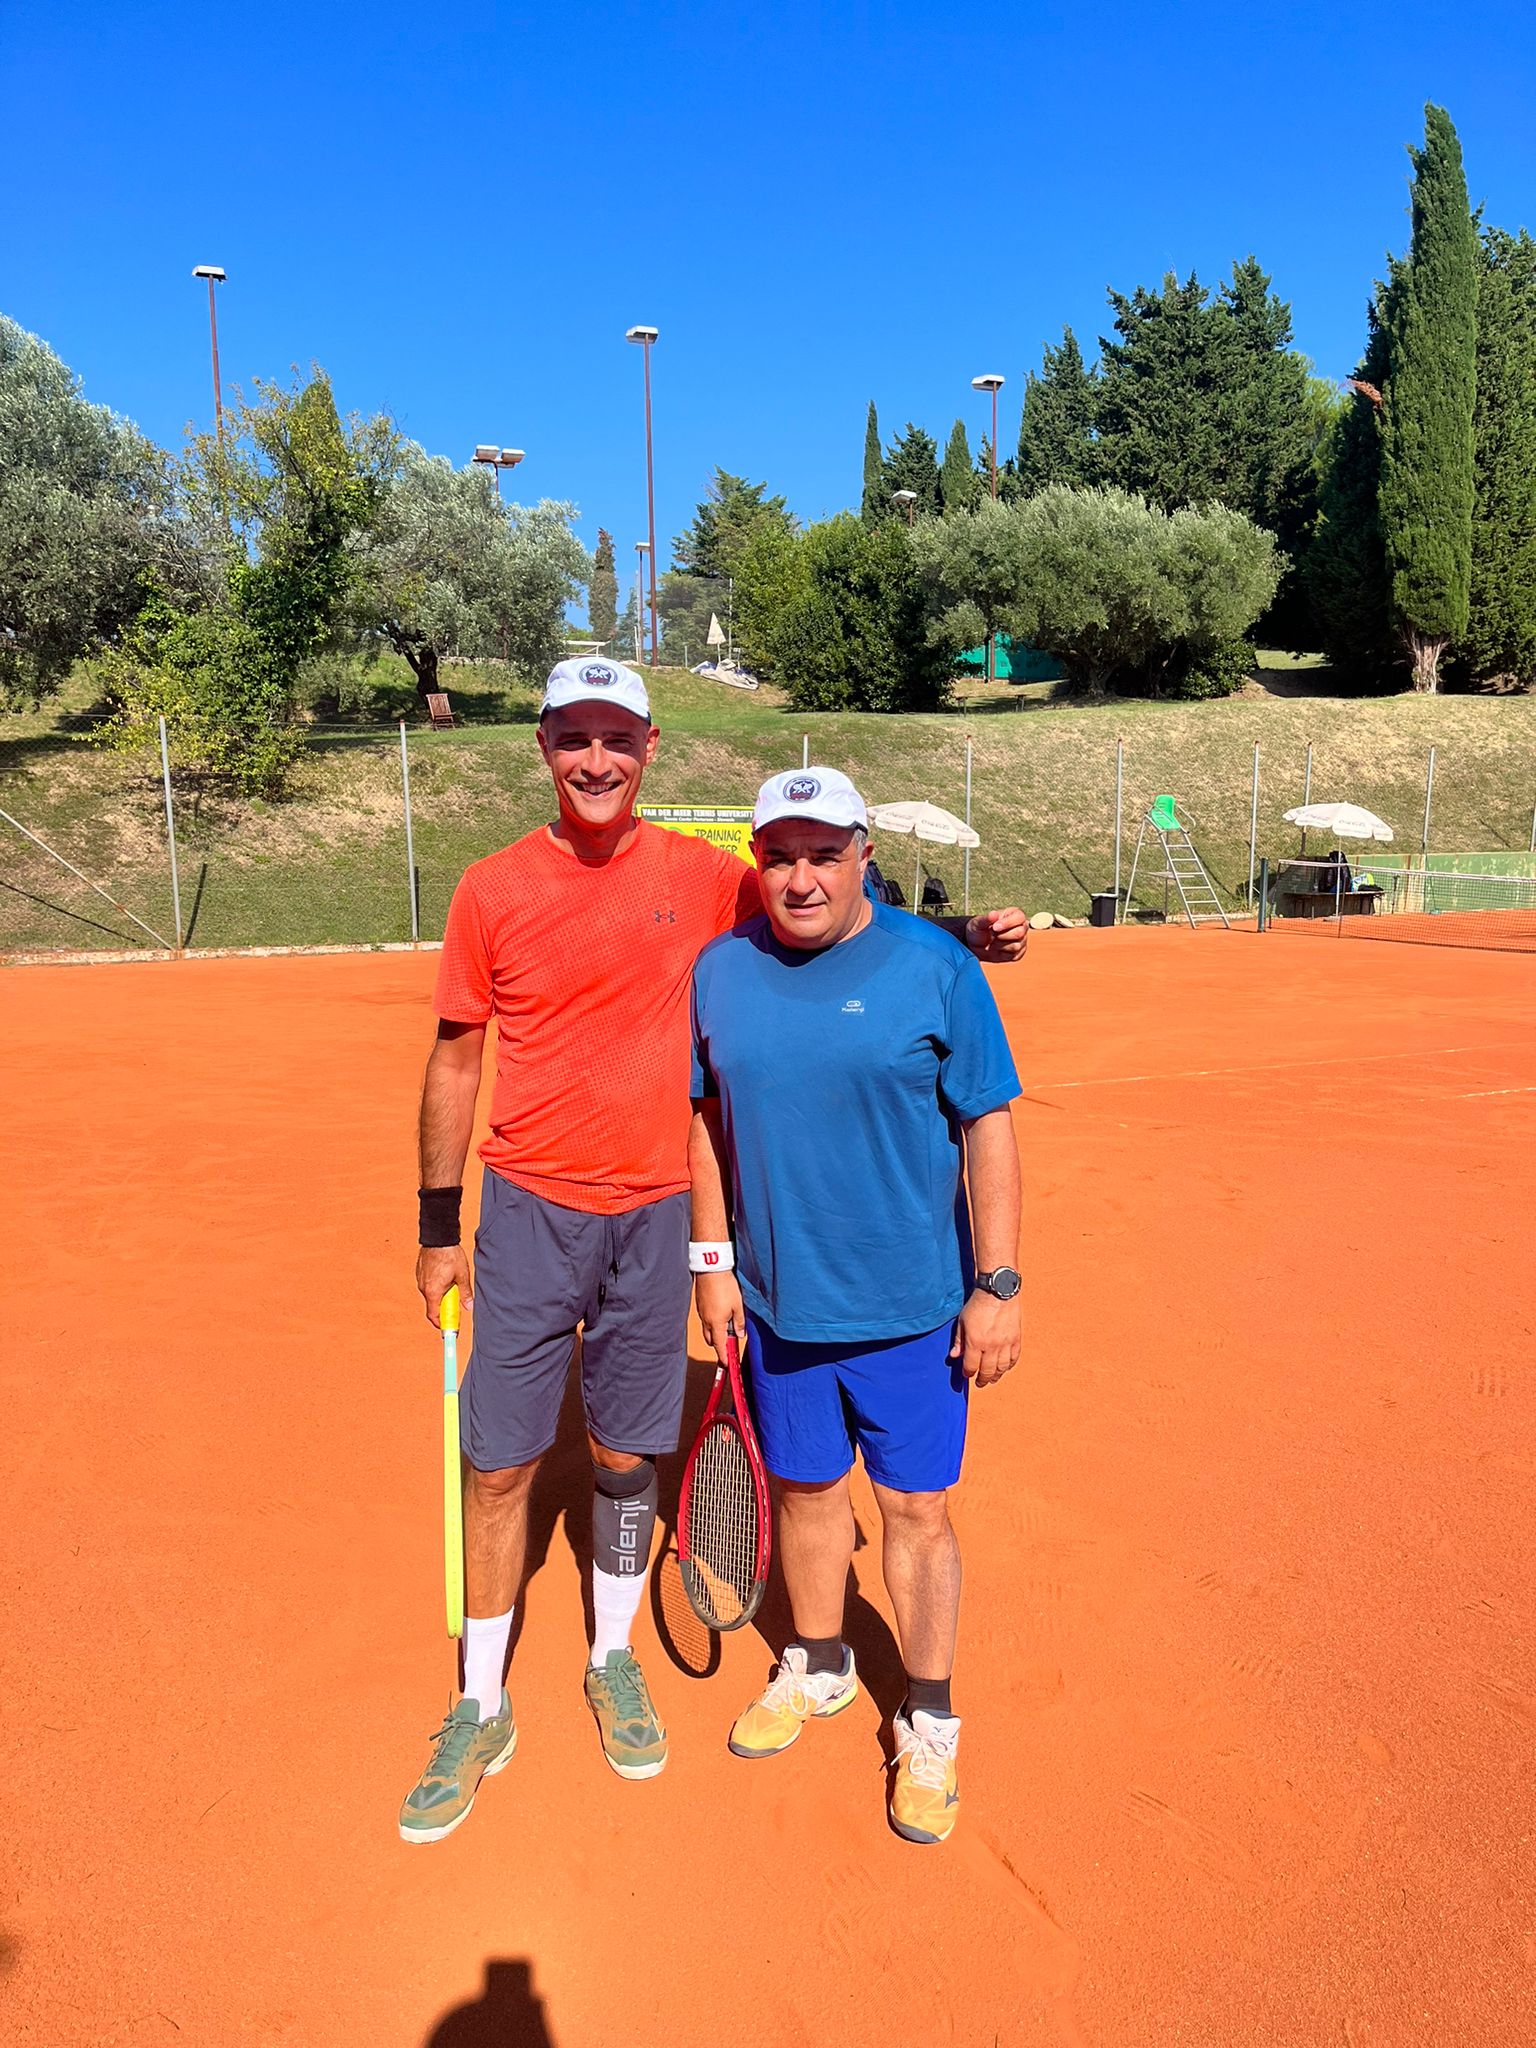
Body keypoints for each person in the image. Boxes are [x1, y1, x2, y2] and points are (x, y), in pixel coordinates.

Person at [399, 660, 1027, 1845]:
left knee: (640, 1457)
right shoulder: (498, 890)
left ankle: (627, 1661)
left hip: (689, 1228)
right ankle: (484, 1700)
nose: (595, 759)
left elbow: (843, 921)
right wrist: (439, 1225)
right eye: (573, 736)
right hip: (548, 1213)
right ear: (543, 743)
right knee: (508, 1466)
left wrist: (965, 936)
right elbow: (456, 1057)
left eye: (616, 737)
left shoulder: (706, 877)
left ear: (649, 746)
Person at [689, 766, 1023, 1846]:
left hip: (915, 1312)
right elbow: (705, 1120)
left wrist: (997, 1283)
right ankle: (821, 1662)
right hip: (780, 1308)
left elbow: (989, 1126)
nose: (802, 878)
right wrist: (712, 1261)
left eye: (824, 854)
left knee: (916, 1514)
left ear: (862, 856)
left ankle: (928, 1718)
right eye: (780, 855)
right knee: (806, 1492)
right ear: (756, 860)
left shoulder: (936, 966)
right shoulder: (720, 972)